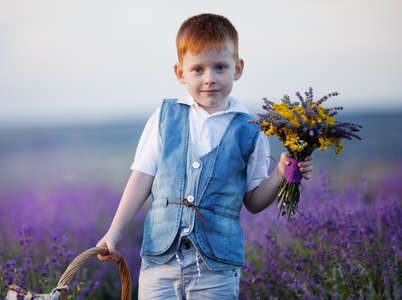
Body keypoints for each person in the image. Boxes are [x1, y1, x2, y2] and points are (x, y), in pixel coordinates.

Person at [96, 13, 313, 299]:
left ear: (238, 68)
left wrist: (279, 176)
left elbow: (255, 201)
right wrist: (114, 232)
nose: (209, 79)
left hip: (217, 271)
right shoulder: (164, 117)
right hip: (159, 266)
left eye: (220, 67)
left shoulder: (251, 130)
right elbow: (141, 179)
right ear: (179, 72)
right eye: (198, 69)